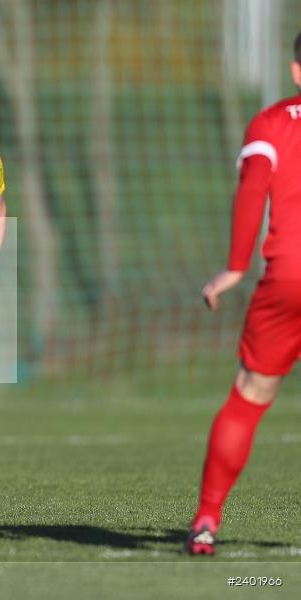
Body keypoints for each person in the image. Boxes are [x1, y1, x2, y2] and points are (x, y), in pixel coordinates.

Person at [186, 32, 301, 555]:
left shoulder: (273, 123)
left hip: (288, 278)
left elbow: (254, 188)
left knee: (250, 395)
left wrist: (236, 267)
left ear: (296, 70)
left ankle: (207, 519)